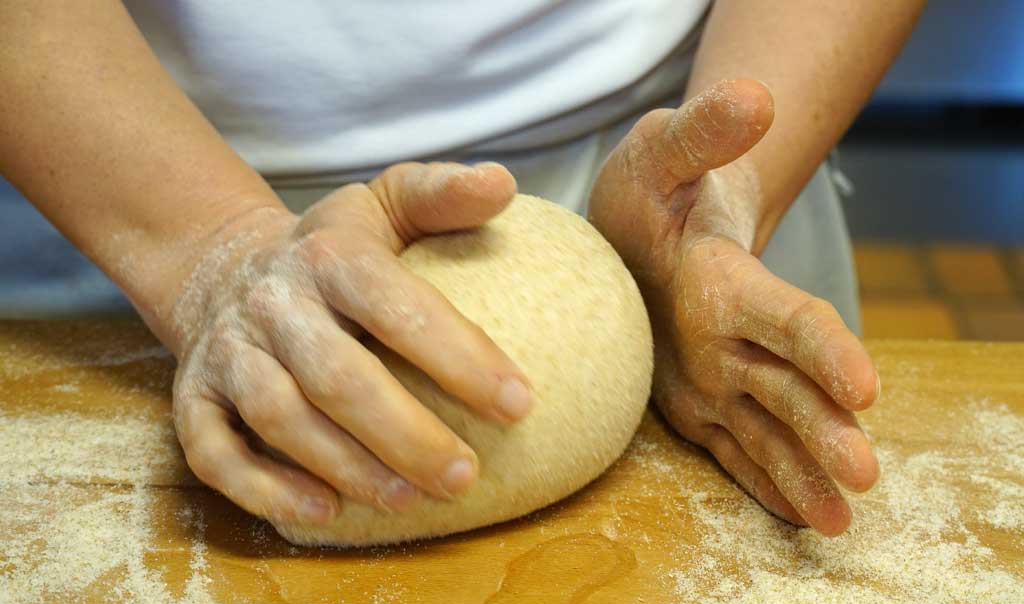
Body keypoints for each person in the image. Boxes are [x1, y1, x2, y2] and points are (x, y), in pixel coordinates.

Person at [0, 1, 924, 536]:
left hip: (677, 166)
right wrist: (210, 250)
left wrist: (725, 188)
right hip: (112, 174)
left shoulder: (701, 194)